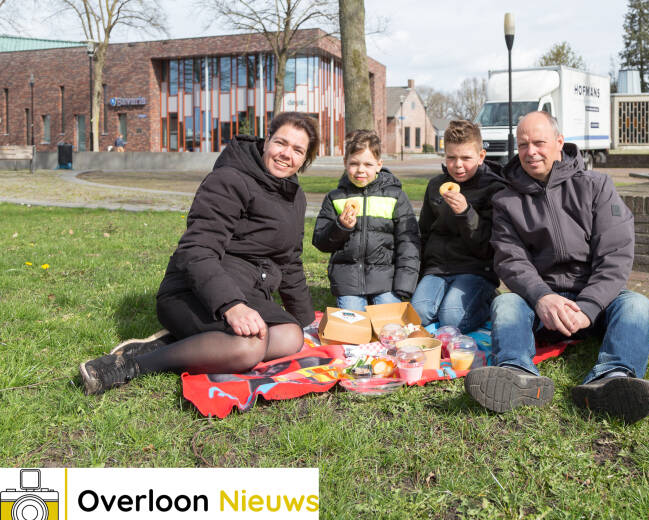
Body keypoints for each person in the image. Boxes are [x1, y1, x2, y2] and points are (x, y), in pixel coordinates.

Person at [80, 112, 319, 395]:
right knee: (249, 347)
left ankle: (182, 344)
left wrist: (308, 322)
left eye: (297, 150)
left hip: (248, 292)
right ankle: (132, 364)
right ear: (266, 141)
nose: (286, 154)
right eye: (281, 143)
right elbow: (197, 250)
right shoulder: (229, 179)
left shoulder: (295, 197)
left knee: (292, 337)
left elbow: (289, 262)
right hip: (193, 292)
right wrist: (232, 305)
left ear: (305, 159)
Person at [465, 111, 649, 424]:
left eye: (539, 143)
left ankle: (612, 379)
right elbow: (510, 259)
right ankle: (516, 372)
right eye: (523, 145)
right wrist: (542, 297)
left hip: (594, 305)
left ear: (559, 142)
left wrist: (589, 306)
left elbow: (616, 254)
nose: (531, 152)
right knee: (506, 303)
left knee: (636, 304)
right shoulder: (506, 200)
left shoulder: (597, 186)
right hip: (542, 307)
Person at [410, 120, 504, 332]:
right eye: (451, 157)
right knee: (418, 315)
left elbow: (488, 246)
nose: (458, 165)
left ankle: (489, 301)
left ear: (481, 156)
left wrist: (466, 212)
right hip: (438, 268)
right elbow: (424, 233)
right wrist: (419, 275)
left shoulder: (493, 188)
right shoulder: (436, 185)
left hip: (475, 269)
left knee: (452, 318)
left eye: (466, 158)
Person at [312, 129, 420, 311]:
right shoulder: (335, 198)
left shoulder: (395, 197)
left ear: (379, 165)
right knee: (354, 325)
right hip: (349, 282)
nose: (360, 170)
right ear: (345, 163)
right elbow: (320, 241)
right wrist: (340, 226)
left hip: (386, 281)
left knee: (389, 323)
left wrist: (404, 286)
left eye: (368, 164)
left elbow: (408, 243)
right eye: (354, 163)